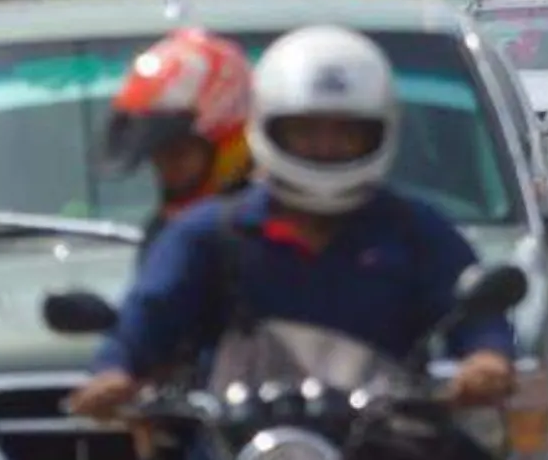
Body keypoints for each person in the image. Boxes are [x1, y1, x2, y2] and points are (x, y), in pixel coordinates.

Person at [67, 26, 517, 425]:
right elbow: (145, 321)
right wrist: (113, 374)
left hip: (382, 444)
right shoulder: (207, 234)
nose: (325, 146)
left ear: (381, 131)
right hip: (232, 444)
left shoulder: (416, 229)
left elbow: (475, 314)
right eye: (306, 130)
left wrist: (486, 359)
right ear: (267, 127)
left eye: (346, 132)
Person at [101, 29, 257, 254]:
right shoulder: (163, 233)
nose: (166, 168)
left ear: (227, 144)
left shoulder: (273, 240)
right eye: (156, 153)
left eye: (178, 152)